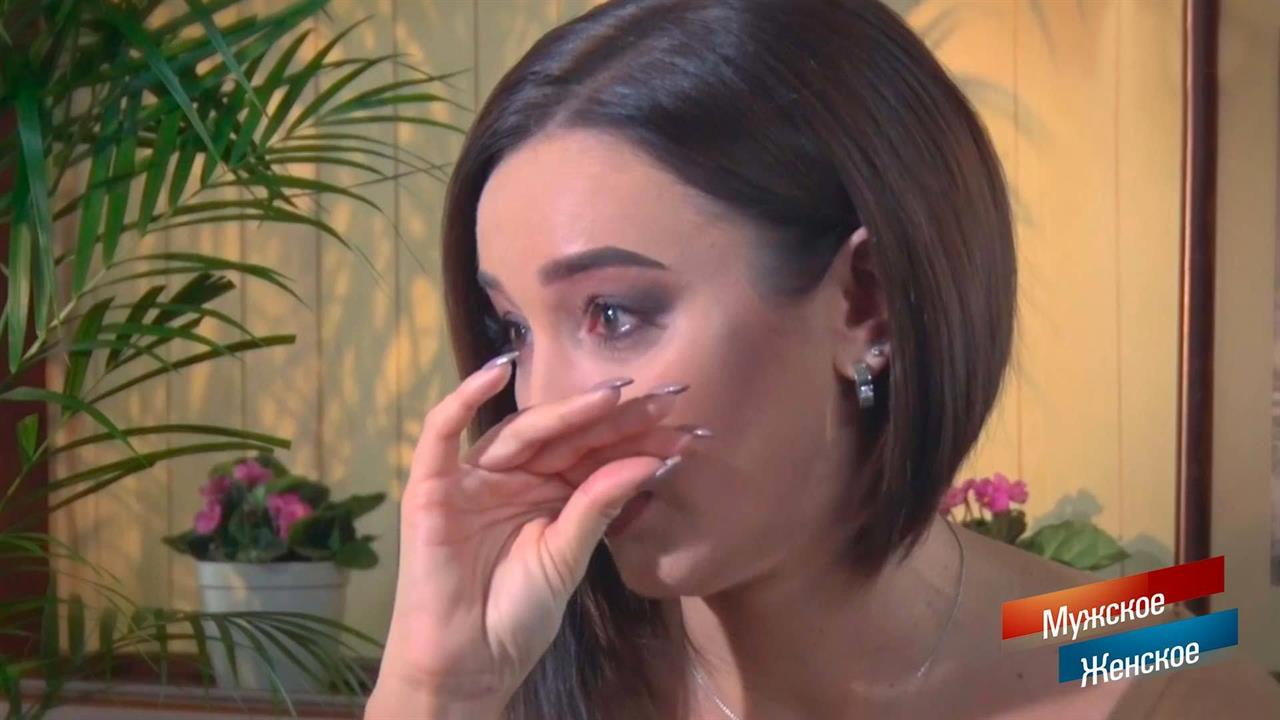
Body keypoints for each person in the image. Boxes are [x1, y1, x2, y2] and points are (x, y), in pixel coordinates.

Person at [364, 0, 1280, 717]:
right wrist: (432, 695)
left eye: (613, 313)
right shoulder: (514, 677)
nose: (543, 407)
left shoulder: (1143, 653)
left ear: (866, 302)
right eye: (514, 331)